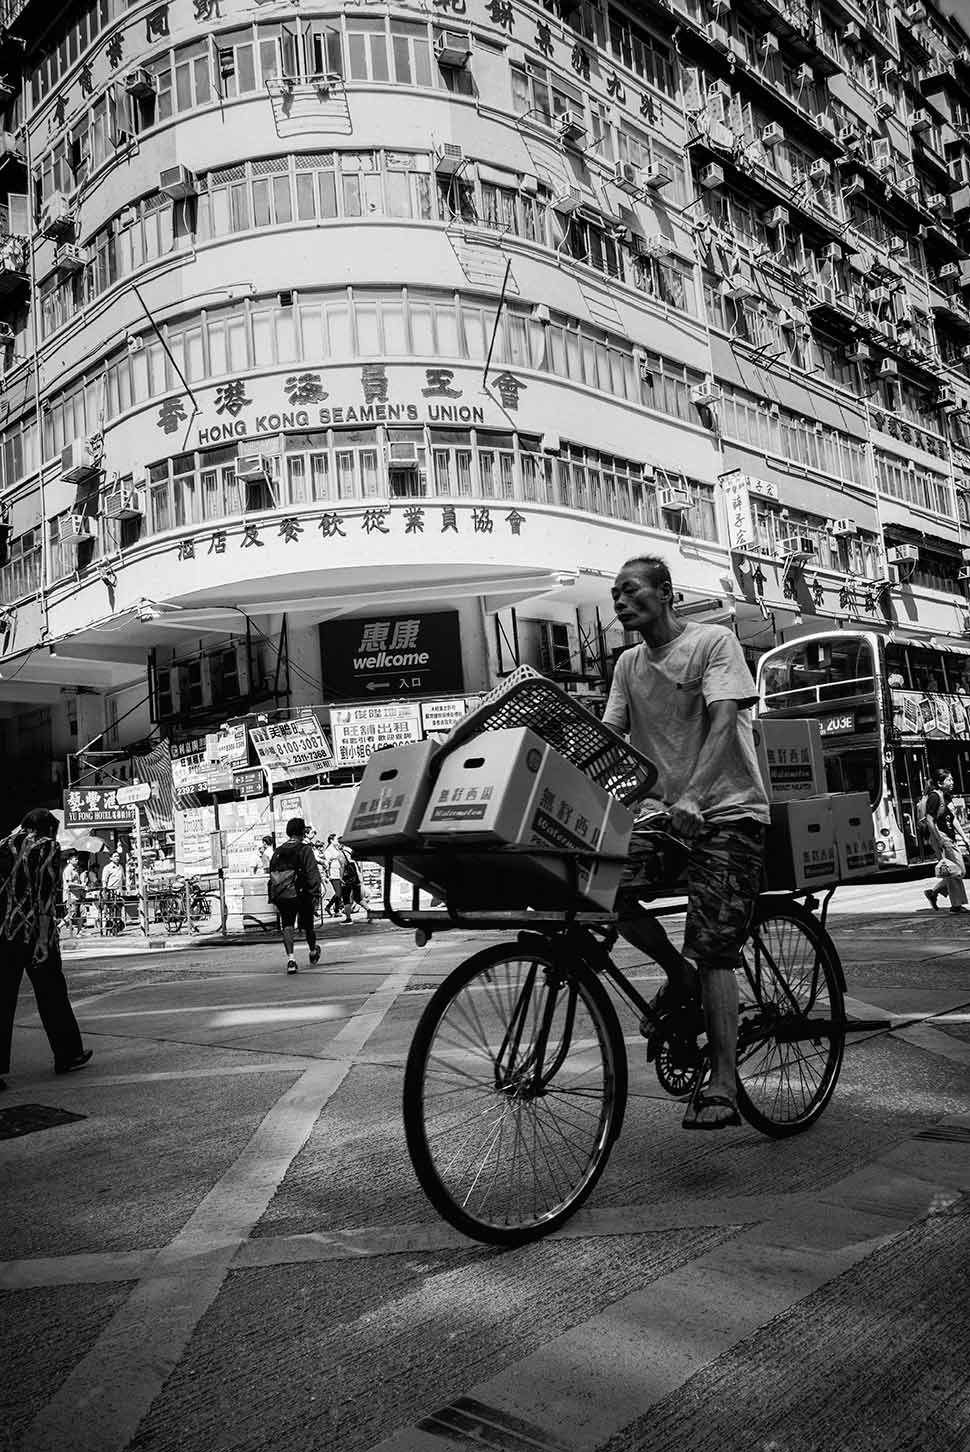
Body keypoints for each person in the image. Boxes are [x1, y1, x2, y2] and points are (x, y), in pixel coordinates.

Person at [603, 555, 769, 1131]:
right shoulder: (627, 664)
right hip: (666, 819)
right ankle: (679, 975)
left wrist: (695, 797)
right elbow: (613, 745)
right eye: (615, 595)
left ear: (665, 593)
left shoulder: (713, 642)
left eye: (630, 591)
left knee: (716, 942)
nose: (620, 602)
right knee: (602, 888)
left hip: (726, 813)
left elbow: (724, 722)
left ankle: (724, 1081)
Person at [0, 808, 92, 1090]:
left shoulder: (3, 845)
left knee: (2, 1000)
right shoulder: (47, 846)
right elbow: (45, 897)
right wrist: (42, 940)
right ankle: (67, 1054)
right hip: (35, 933)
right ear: (47, 829)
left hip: (3, 934)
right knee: (52, 994)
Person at [267, 817, 322, 974]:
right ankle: (312, 951)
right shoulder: (305, 849)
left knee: (287, 925)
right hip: (302, 893)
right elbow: (313, 873)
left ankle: (291, 960)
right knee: (308, 926)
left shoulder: (278, 851)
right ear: (302, 832)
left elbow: (272, 874)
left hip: (283, 895)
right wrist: (315, 893)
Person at [923, 769, 969, 914]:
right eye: (948, 780)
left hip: (950, 837)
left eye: (951, 779)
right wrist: (939, 839)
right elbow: (930, 820)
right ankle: (955, 905)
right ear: (940, 783)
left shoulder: (946, 796)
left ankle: (934, 892)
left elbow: (952, 818)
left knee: (955, 871)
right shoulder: (934, 797)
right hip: (942, 838)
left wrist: (964, 837)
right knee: (956, 871)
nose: (952, 782)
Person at [323, 833, 348, 918]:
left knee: (340, 892)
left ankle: (336, 909)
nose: (338, 841)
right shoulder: (328, 850)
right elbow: (327, 862)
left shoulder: (336, 849)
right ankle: (329, 907)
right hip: (333, 872)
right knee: (338, 892)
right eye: (336, 840)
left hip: (339, 872)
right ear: (331, 840)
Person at [340, 842, 365, 924]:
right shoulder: (352, 852)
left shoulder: (342, 853)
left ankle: (348, 919)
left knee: (346, 899)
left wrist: (341, 878)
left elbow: (343, 866)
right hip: (356, 878)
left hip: (347, 879)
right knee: (358, 898)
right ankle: (370, 911)